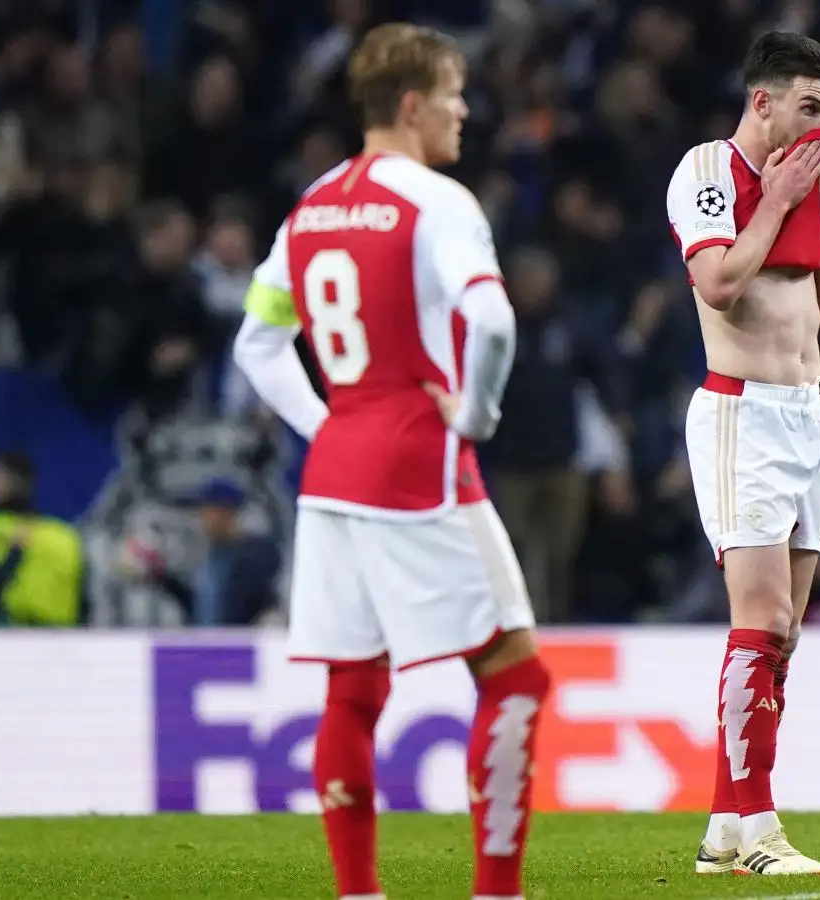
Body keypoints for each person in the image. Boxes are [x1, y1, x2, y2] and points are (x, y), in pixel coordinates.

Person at [231, 24, 546, 900]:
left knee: (351, 692)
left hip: (332, 476)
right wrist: (475, 415)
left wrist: (325, 422)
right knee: (517, 678)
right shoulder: (438, 203)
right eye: (453, 95)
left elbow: (258, 344)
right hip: (421, 465)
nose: (465, 111)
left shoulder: (312, 208)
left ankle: (358, 894)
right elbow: (492, 320)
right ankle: (496, 891)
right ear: (411, 104)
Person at [664, 31, 820, 876]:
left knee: (782, 641)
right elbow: (716, 283)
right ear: (763, 101)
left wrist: (818, 212)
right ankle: (761, 831)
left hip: (808, 416)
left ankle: (721, 832)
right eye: (810, 107)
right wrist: (776, 201)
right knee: (761, 622)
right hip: (741, 412)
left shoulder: (801, 183)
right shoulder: (710, 170)